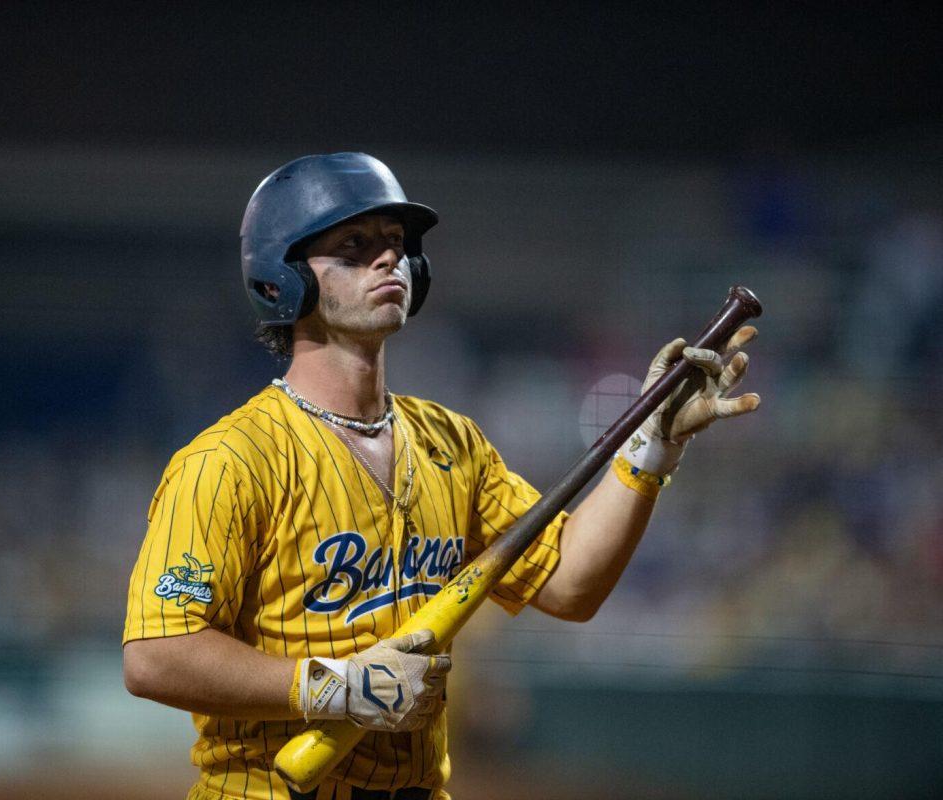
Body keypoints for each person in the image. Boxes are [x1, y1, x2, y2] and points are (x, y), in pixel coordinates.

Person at [122, 153, 759, 800]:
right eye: (353, 246)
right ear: (280, 279)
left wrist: (650, 449)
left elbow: (570, 587)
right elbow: (154, 657)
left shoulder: (451, 442)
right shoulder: (231, 460)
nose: (386, 261)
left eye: (395, 245)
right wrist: (332, 686)